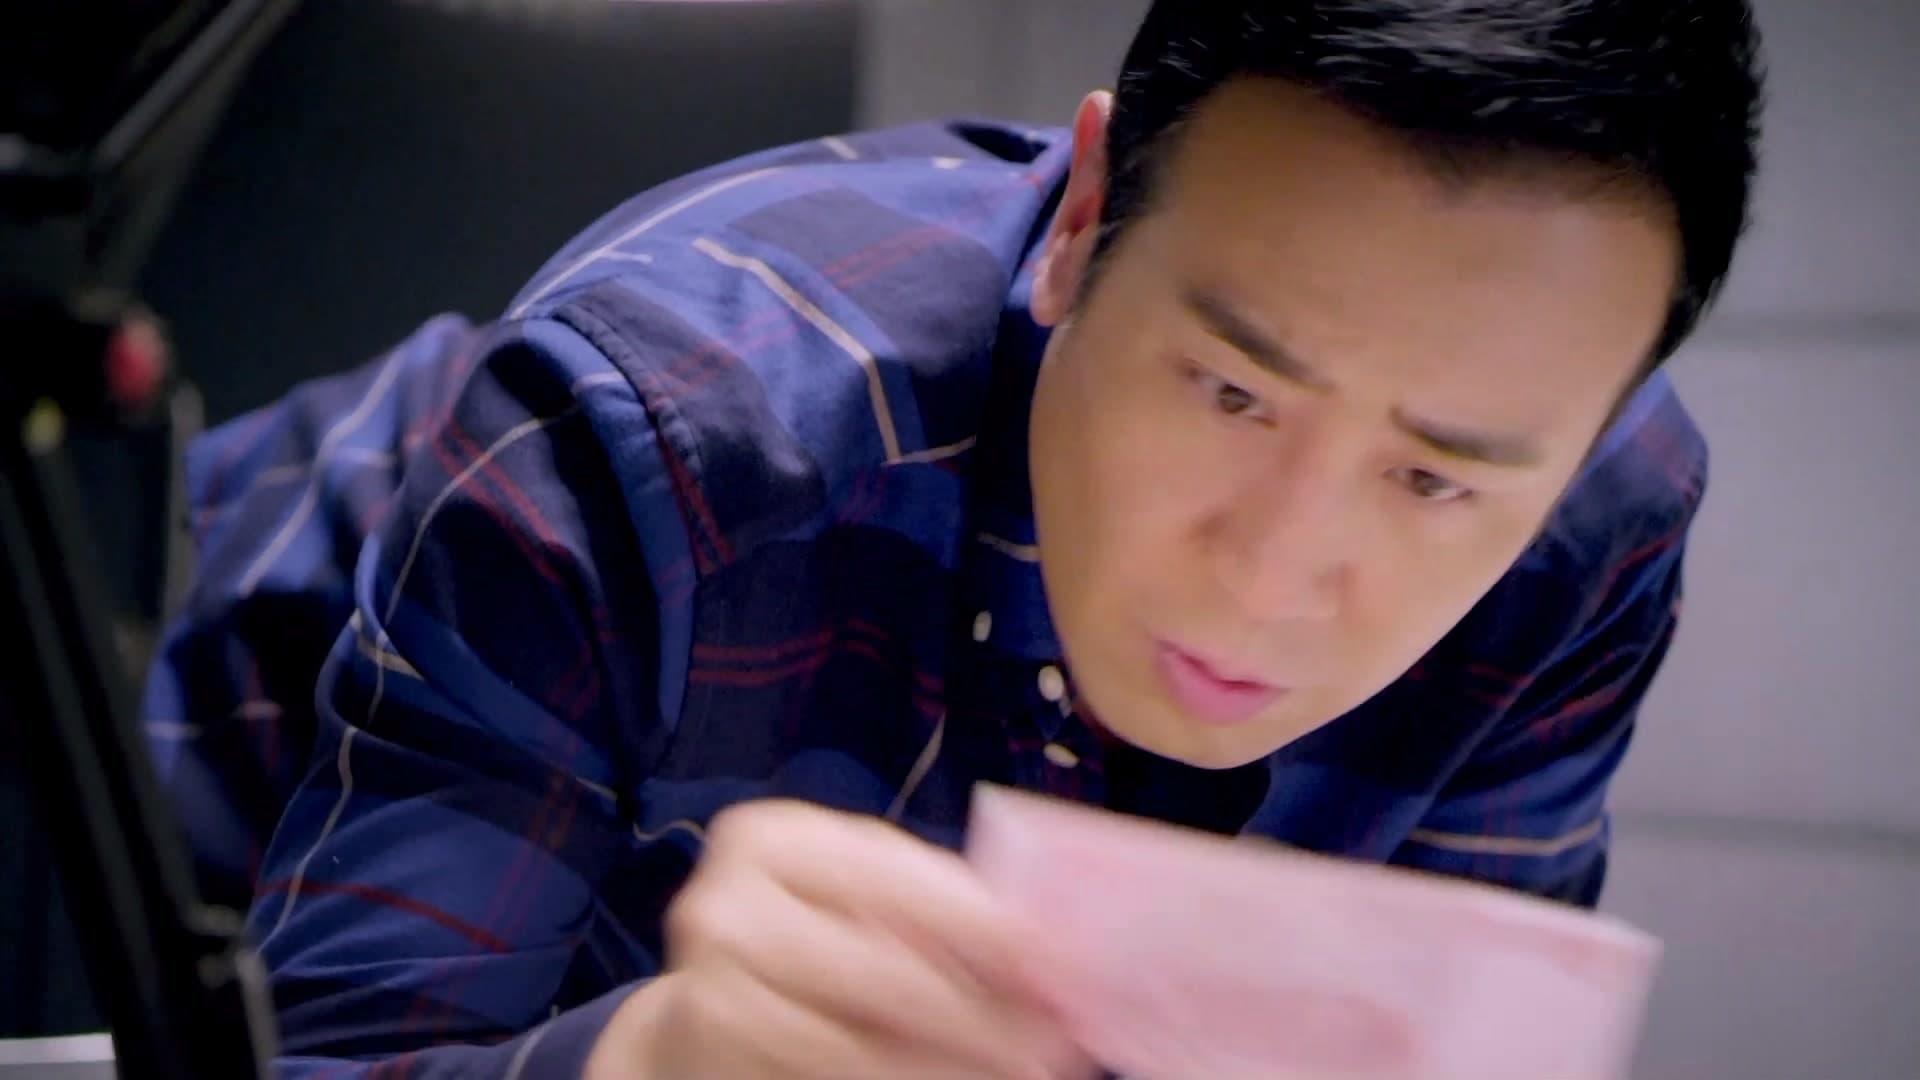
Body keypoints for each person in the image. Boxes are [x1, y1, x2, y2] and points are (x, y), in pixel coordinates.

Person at [142, 1, 1765, 1076]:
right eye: (1230, 390)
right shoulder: (668, 425)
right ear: (1084, 218)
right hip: (147, 687)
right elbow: (340, 1054)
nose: (1271, 579)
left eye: (1436, 480)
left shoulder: (1594, 523)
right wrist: (650, 1060)